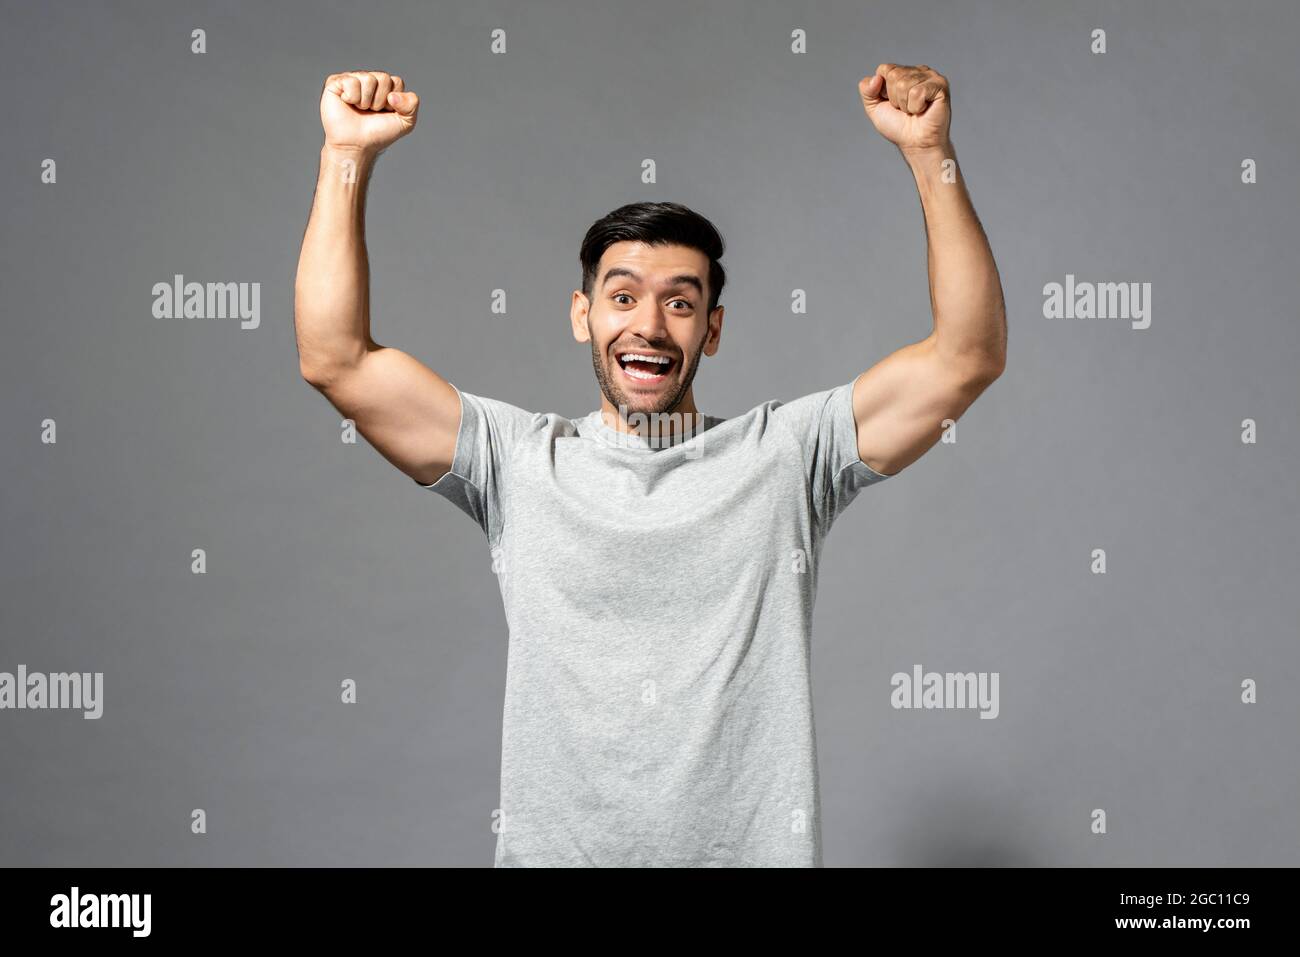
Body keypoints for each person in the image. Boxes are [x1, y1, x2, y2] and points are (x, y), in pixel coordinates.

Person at [294, 63, 1006, 867]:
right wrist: (344, 154)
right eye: (623, 296)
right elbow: (336, 359)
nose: (650, 327)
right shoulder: (518, 463)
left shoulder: (786, 456)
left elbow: (966, 357)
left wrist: (929, 153)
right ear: (582, 315)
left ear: (713, 328)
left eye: (680, 301)